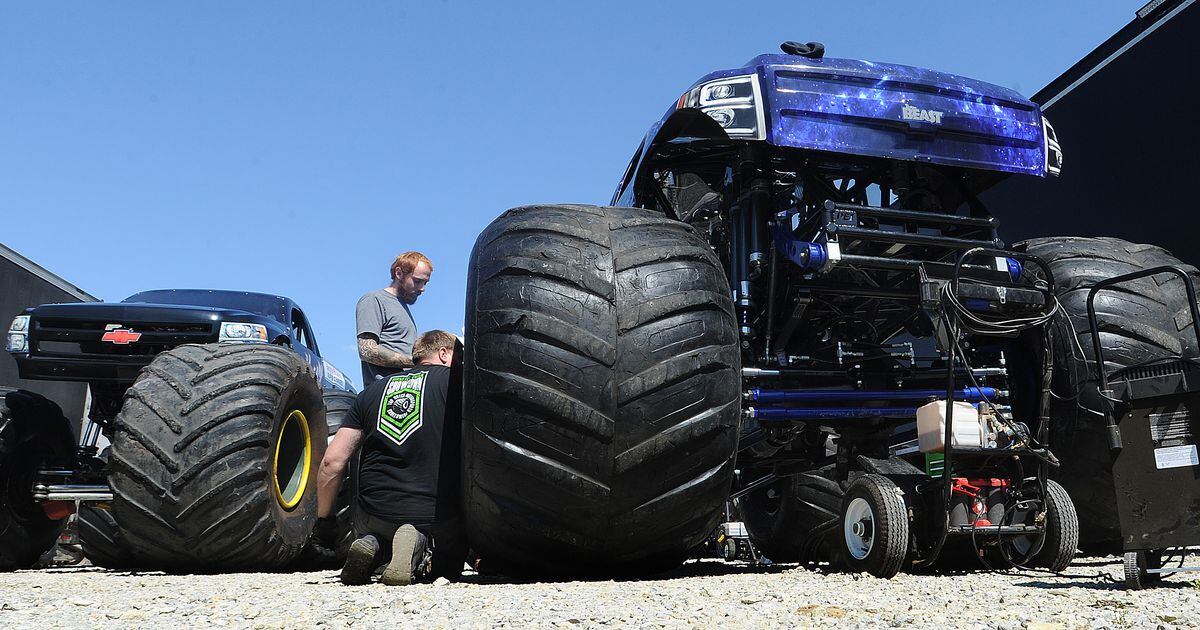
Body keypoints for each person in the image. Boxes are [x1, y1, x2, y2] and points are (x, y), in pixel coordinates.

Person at [314, 330, 465, 586]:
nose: (461, 364)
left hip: (375, 513)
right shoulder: (459, 384)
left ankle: (373, 544)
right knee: (448, 564)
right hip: (433, 513)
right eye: (458, 356)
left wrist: (324, 520)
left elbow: (333, 462)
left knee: (379, 535)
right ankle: (418, 544)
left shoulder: (372, 392)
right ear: (443, 353)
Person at [355, 251, 433, 384]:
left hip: (405, 391)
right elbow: (366, 351)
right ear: (399, 274)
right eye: (417, 281)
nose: (422, 288)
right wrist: (418, 361)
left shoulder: (403, 308)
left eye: (425, 283)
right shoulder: (374, 299)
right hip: (384, 394)